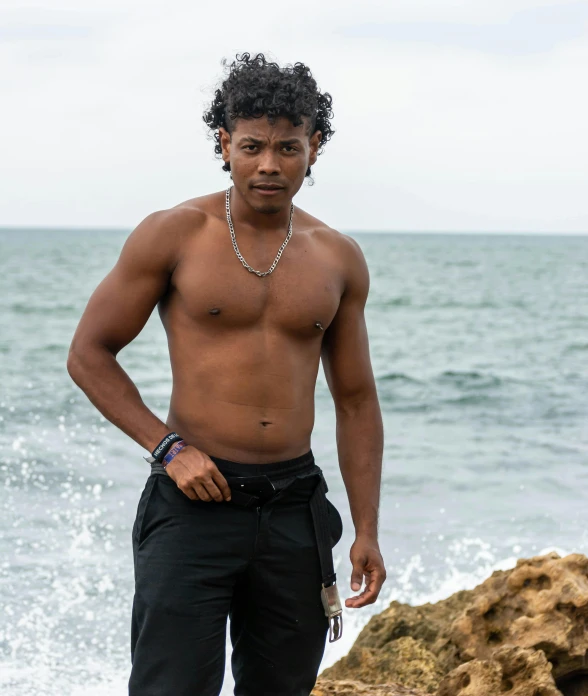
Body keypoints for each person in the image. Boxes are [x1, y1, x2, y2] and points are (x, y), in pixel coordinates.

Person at [66, 52, 386, 696]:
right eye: (252, 147)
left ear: (314, 148)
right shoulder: (174, 234)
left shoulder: (337, 257)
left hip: (296, 507)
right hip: (194, 500)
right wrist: (168, 447)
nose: (269, 165)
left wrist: (367, 530)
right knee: (171, 686)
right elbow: (89, 354)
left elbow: (355, 401)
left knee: (283, 687)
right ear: (225, 145)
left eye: (288, 147)